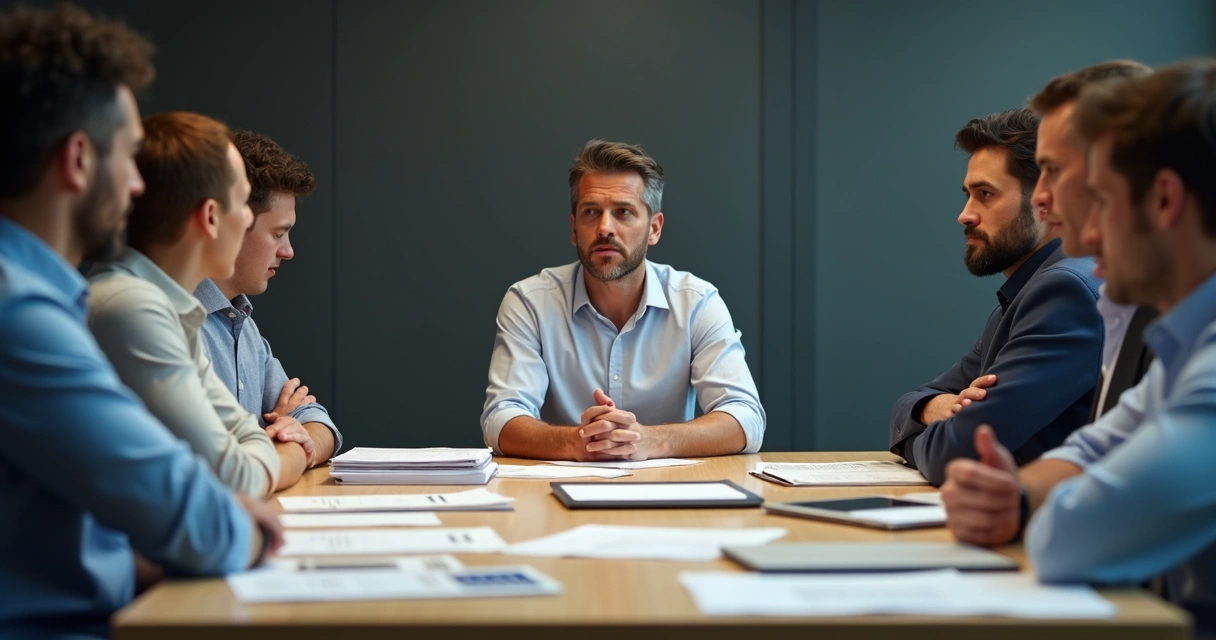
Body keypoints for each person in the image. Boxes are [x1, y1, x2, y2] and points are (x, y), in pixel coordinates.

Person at [0, 5, 281, 637]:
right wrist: (240, 523)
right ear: (77, 159)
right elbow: (195, 515)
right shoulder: (20, 312)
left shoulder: (49, 298)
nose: (136, 186)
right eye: (128, 156)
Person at [942, 59, 1216, 630]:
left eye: (1102, 198)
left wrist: (1025, 505)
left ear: (1164, 201)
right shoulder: (1186, 341)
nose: (1085, 235)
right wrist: (1018, 497)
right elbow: (1094, 449)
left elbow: (1073, 538)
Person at [481, 139, 765, 461]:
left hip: (669, 499)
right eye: (591, 212)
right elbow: (500, 418)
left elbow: (745, 418)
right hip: (556, 496)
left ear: (654, 229)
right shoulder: (530, 302)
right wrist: (576, 442)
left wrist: (651, 441)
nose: (605, 228)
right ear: (574, 229)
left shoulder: (697, 303)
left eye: (623, 212)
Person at [88, 113, 314, 495]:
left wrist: (258, 445)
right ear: (211, 216)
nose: (246, 219)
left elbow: (243, 438)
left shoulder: (175, 311)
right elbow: (236, 478)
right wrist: (287, 449)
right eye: (242, 203)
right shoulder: (133, 308)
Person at [889, 109, 1103, 485]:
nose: (964, 215)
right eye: (968, 195)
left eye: (985, 195)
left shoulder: (1064, 292)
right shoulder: (1023, 293)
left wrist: (932, 429)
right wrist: (932, 407)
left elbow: (956, 453)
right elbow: (915, 400)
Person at [194, 129, 341, 467]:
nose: (288, 251)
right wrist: (273, 440)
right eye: (277, 234)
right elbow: (223, 463)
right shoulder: (174, 320)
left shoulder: (242, 326)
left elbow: (319, 422)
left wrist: (295, 437)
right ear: (229, 222)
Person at [1029, 60, 1157, 420]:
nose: (1039, 196)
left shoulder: (1072, 286)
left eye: (1054, 170)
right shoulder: (1125, 303)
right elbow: (1097, 451)